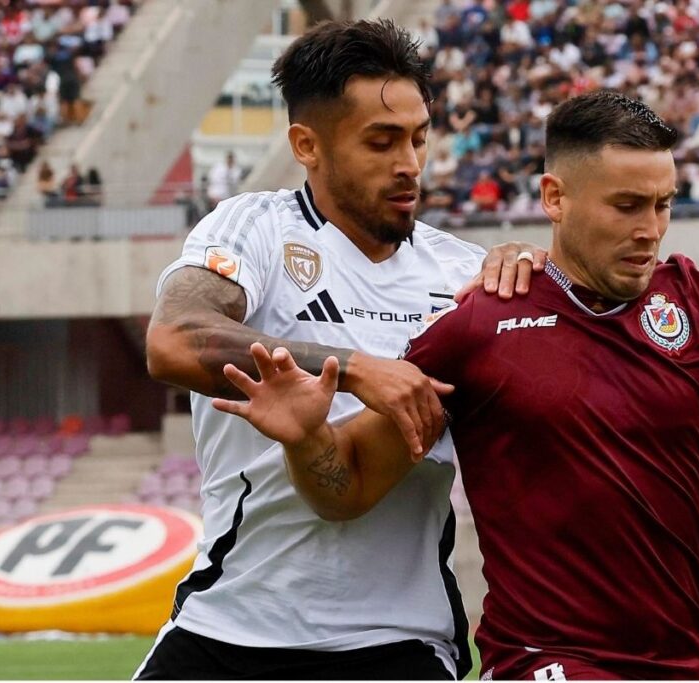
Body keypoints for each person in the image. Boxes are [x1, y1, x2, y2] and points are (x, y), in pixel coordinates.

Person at [214, 91, 699, 679]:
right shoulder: (477, 327)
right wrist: (308, 433)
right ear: (555, 199)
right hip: (545, 660)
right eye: (626, 206)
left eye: (663, 204)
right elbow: (344, 487)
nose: (650, 228)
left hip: (685, 662)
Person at [137, 20, 544, 680]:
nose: (409, 161)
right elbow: (174, 338)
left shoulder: (465, 275)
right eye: (380, 141)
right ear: (308, 144)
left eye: (418, 137)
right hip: (231, 625)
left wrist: (536, 276)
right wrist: (357, 370)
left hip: (399, 639)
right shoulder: (254, 229)